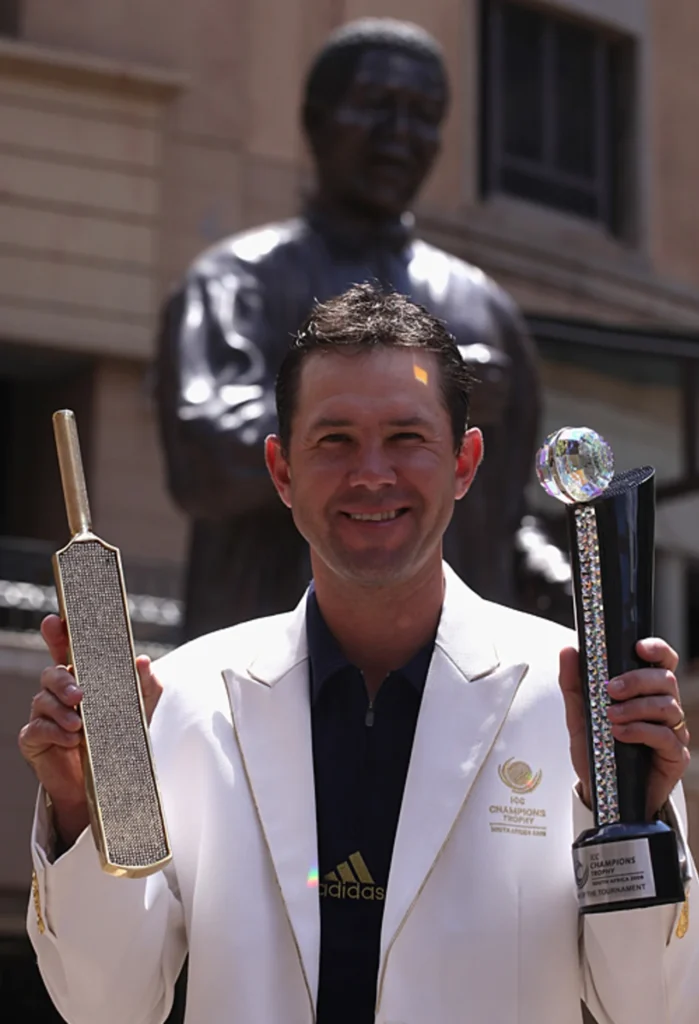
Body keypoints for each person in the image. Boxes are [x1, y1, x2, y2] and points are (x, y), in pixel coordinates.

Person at [22, 286, 697, 1024]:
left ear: (464, 462)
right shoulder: (185, 697)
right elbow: (107, 1006)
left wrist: (630, 812)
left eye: (406, 438)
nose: (371, 473)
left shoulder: (580, 697)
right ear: (282, 471)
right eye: (334, 440)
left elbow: (651, 1009)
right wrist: (81, 807)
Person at [156, 17, 543, 641]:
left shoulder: (485, 307)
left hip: (460, 694)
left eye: (423, 115)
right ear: (315, 119)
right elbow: (208, 461)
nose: (400, 135)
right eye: (376, 108)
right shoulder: (235, 282)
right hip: (260, 681)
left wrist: (539, 558)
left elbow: (509, 507)